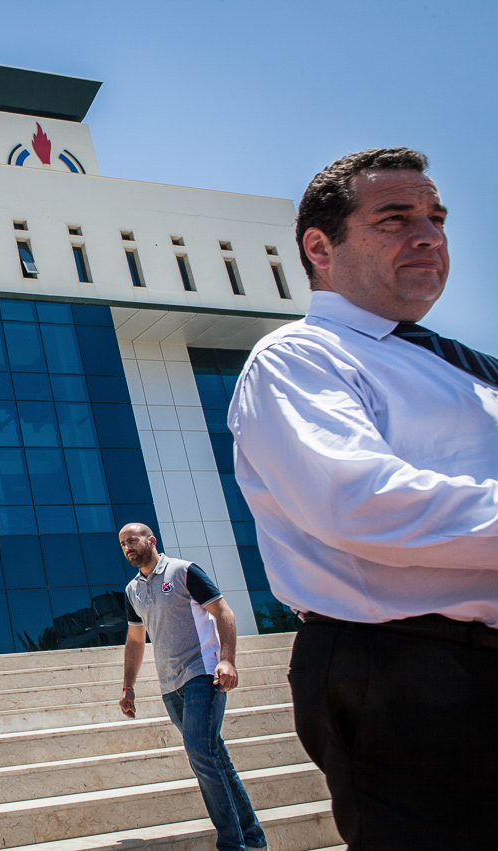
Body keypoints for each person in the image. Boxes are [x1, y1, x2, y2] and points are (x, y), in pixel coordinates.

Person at [228, 147, 498, 849]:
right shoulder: (298, 357)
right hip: (407, 674)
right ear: (321, 246)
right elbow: (362, 502)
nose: (430, 235)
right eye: (395, 218)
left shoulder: (469, 368)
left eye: (437, 217)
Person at [117, 524, 267, 851]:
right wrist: (128, 686)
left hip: (202, 674)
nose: (128, 547)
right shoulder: (133, 591)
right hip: (171, 687)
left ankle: (233, 845)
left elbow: (223, 612)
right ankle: (254, 841)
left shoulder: (184, 571)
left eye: (132, 540)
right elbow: (134, 639)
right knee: (214, 760)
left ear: (150, 540)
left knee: (200, 752)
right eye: (123, 544)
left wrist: (227, 660)